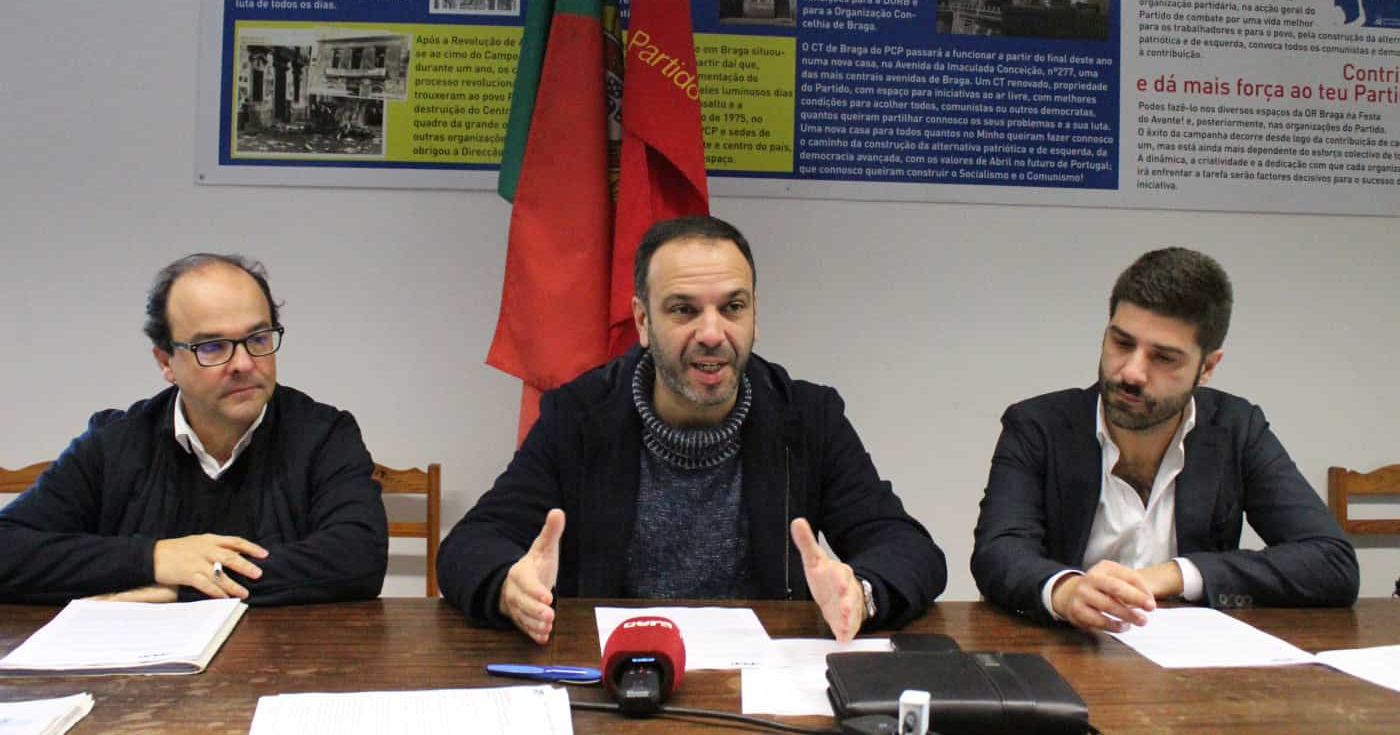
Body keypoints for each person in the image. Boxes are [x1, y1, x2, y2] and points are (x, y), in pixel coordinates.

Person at [439, 216, 945, 643]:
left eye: (732, 308)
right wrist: (510, 587)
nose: (711, 333)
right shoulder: (579, 416)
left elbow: (908, 548)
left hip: (763, 682)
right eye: (683, 309)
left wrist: (862, 593)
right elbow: (471, 544)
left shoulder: (808, 417)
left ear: (754, 316)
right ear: (643, 321)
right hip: (615, 678)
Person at [971, 247, 1358, 631]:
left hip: (1195, 658)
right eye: (1122, 343)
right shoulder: (1038, 426)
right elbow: (998, 551)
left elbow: (1331, 562)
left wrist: (1175, 574)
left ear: (1207, 367)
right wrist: (1066, 591)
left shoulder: (1236, 428)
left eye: (1164, 358)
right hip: (1069, 649)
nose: (1132, 372)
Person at [0, 254, 387, 605]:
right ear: (166, 361)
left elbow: (358, 557)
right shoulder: (113, 443)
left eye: (258, 338)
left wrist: (184, 586)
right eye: (213, 346)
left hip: (287, 654)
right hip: (140, 658)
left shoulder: (323, 435)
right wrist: (154, 558)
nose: (243, 363)